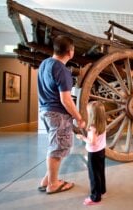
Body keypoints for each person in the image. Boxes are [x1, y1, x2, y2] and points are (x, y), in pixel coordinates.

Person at [37, 35, 85, 194]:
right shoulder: (62, 70)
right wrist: (79, 118)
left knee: (55, 147)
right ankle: (53, 184)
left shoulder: (45, 64)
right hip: (58, 114)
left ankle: (47, 180)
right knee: (57, 150)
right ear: (70, 52)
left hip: (46, 110)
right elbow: (65, 100)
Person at [76, 101, 107, 205]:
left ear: (92, 114)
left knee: (94, 175)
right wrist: (86, 127)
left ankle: (95, 197)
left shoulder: (92, 127)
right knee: (100, 172)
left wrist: (82, 137)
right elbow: (95, 134)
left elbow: (92, 141)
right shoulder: (102, 123)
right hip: (101, 151)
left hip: (93, 153)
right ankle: (102, 190)